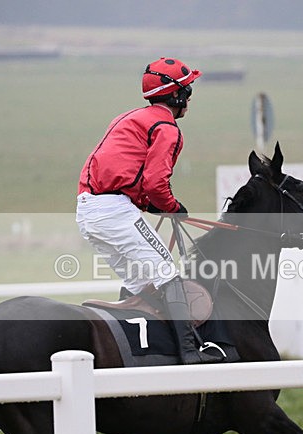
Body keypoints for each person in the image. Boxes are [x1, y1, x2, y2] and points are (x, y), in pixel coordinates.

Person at [76, 57, 217, 364]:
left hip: (88, 211)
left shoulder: (128, 117)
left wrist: (155, 206)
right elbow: (155, 183)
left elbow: (130, 178)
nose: (190, 97)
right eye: (188, 90)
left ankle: (136, 352)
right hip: (114, 211)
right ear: (176, 95)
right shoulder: (166, 128)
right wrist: (172, 207)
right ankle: (192, 353)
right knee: (167, 274)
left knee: (143, 286)